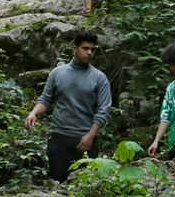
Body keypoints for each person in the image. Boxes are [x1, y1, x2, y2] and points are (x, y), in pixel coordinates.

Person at [23, 31, 112, 182]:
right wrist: (33, 114)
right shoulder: (57, 73)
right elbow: (46, 100)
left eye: (93, 49)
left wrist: (90, 136)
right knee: (58, 183)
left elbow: (103, 110)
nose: (89, 53)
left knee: (84, 186)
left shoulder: (99, 78)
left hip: (85, 140)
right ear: (74, 49)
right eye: (85, 48)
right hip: (59, 138)